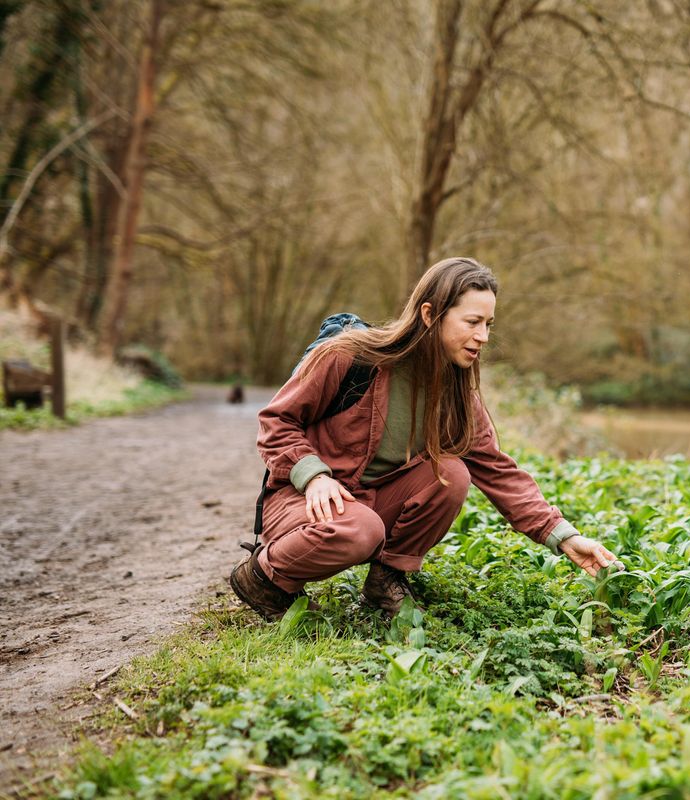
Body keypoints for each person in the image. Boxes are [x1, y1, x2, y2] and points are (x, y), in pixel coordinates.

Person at [230, 257, 621, 621]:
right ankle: (266, 579)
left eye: (489, 324)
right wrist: (314, 475)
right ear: (430, 314)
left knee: (450, 474)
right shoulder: (348, 356)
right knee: (360, 529)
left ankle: (386, 581)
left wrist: (564, 538)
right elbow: (276, 420)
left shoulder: (456, 394)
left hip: (365, 506)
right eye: (472, 322)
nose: (483, 336)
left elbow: (499, 472)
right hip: (302, 502)